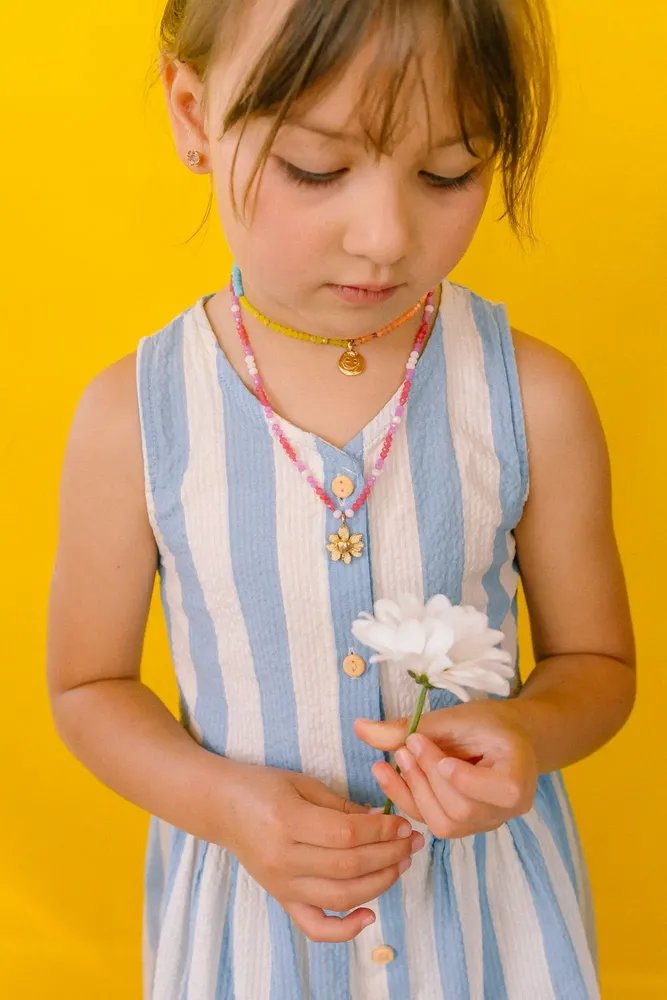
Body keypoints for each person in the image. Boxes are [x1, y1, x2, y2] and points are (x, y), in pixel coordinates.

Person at [46, 1, 636, 997]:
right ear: (192, 114)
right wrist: (226, 805)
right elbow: (87, 687)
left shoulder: (531, 396)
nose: (384, 236)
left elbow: (597, 664)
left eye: (448, 172)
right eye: (315, 168)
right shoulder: (134, 417)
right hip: (252, 933)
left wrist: (527, 735)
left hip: (489, 928)